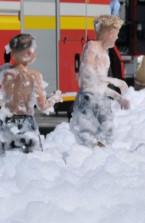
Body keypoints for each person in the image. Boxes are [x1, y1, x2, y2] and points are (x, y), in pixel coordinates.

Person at [70, 15, 131, 148]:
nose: (117, 38)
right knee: (88, 139)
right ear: (110, 33)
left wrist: (118, 97)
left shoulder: (105, 54)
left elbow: (99, 85)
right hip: (88, 100)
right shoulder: (92, 46)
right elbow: (87, 72)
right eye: (117, 34)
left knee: (107, 137)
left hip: (100, 100)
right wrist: (113, 80)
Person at [0, 34, 62, 152]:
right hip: (25, 125)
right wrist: (54, 98)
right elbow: (43, 106)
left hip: (5, 124)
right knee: (30, 163)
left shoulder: (3, 71)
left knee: (7, 164)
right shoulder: (34, 76)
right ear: (29, 53)